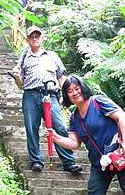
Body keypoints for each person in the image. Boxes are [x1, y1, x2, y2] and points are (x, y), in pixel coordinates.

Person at [11, 26, 83, 174]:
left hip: (51, 95)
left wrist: (67, 95)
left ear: (42, 38)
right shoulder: (24, 58)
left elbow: (61, 76)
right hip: (30, 95)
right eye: (32, 36)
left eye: (37, 36)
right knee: (32, 128)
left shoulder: (52, 56)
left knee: (59, 127)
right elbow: (20, 85)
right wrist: (17, 76)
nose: (35, 38)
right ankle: (36, 161)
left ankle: (69, 162)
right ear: (27, 40)